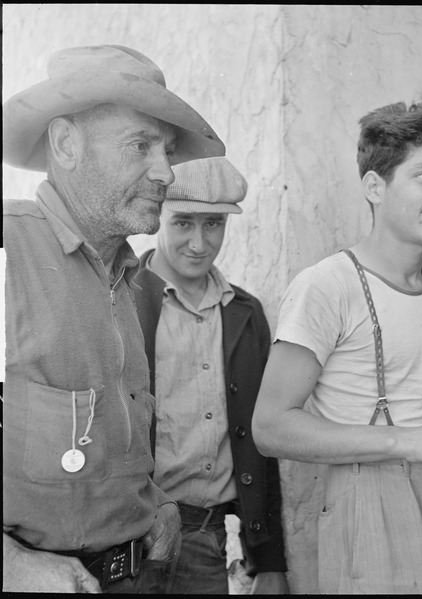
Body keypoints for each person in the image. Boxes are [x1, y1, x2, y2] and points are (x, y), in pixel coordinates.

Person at [252, 101, 422, 594]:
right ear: (375, 186)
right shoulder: (327, 286)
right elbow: (270, 428)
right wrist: (413, 442)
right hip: (369, 502)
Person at [2, 44, 225, 593]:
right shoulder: (8, 257)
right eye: (141, 145)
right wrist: (9, 564)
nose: (166, 172)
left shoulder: (127, 279)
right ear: (66, 144)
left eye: (168, 151)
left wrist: (155, 503)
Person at [133, 156, 289, 594]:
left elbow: (263, 438)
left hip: (205, 537)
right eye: (183, 223)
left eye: (214, 224)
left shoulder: (245, 313)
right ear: (157, 217)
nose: (200, 243)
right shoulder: (122, 300)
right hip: (128, 538)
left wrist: (269, 560)